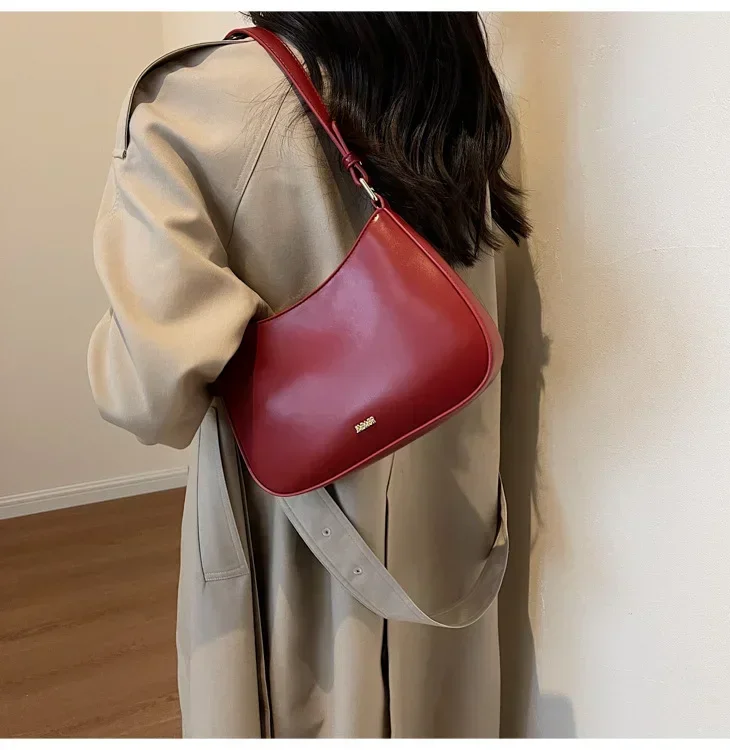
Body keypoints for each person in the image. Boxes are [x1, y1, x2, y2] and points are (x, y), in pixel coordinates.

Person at [87, 11, 529, 738]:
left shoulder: (195, 102)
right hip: (447, 527)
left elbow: (147, 396)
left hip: (295, 548)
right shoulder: (458, 84)